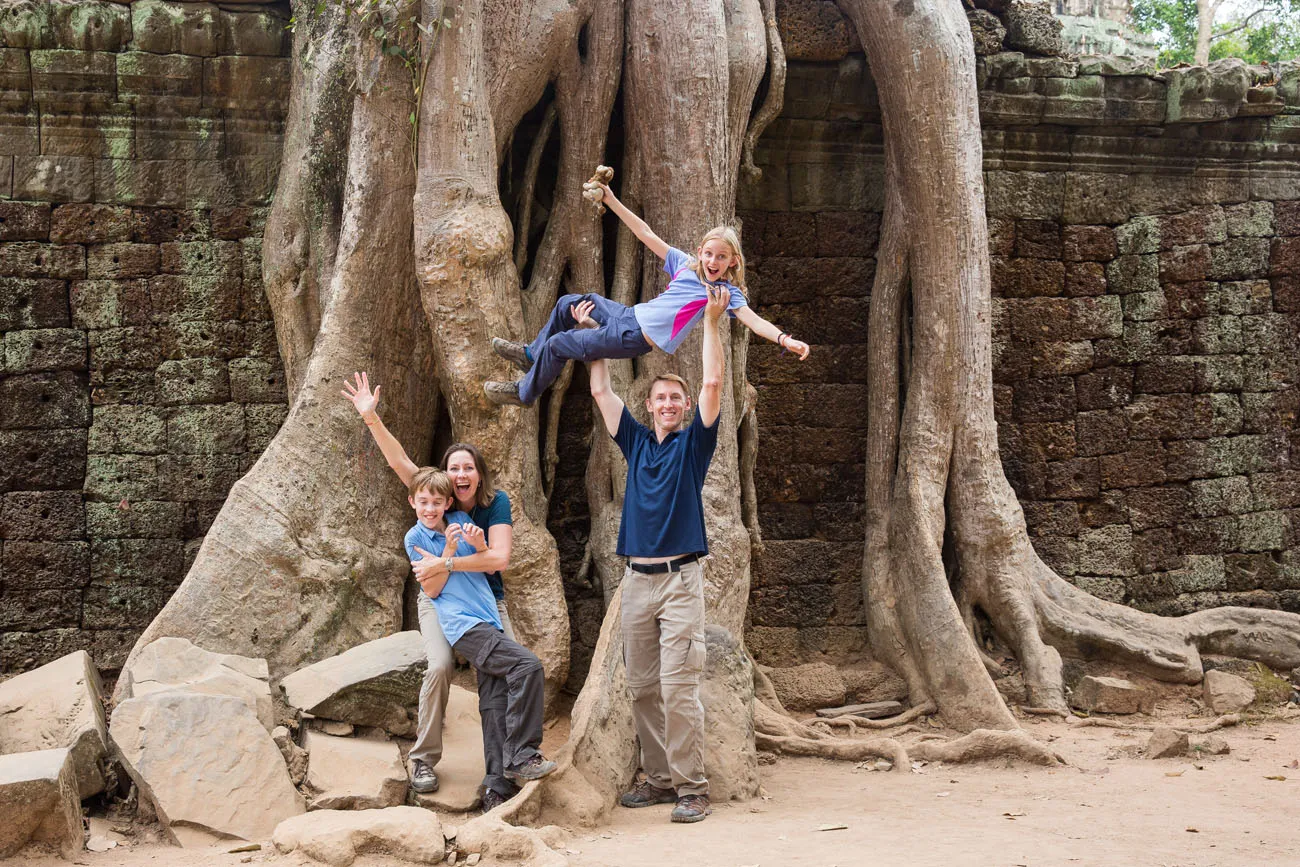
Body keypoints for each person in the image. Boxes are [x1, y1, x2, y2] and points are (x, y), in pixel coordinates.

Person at [585, 281, 730, 824]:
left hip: (680, 581)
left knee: (678, 685)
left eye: (676, 398)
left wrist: (712, 323)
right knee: (644, 687)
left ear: (685, 407)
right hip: (637, 582)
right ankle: (659, 778)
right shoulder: (637, 442)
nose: (667, 405)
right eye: (659, 398)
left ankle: (693, 787)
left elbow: (714, 381)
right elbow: (602, 394)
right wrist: (592, 340)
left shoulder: (695, 445)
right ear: (648, 406)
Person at [341, 373, 517, 802]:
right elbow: (402, 465)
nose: (460, 474)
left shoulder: (495, 505)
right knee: (439, 666)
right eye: (453, 467)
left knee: (511, 668)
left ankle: (509, 763)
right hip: (438, 598)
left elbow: (498, 559)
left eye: (467, 468)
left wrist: (452, 559)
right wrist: (371, 419)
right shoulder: (439, 502)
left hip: (485, 599)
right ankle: (423, 758)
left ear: (478, 474)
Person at [484, 180, 809, 407]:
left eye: (721, 257)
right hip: (626, 315)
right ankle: (530, 358)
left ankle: (524, 394)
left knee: (559, 345)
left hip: (635, 337)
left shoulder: (723, 294)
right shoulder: (684, 264)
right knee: (569, 303)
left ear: (732, 262)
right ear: (700, 251)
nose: (713, 261)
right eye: (709, 254)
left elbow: (753, 321)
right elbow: (645, 232)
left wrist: (783, 339)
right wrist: (610, 200)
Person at [402, 468, 556, 806]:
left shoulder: (459, 517)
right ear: (412, 501)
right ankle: (520, 754)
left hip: (488, 616)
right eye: (424, 502)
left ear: (447, 503)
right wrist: (448, 553)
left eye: (437, 502)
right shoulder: (415, 539)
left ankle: (496, 785)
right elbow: (432, 587)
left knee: (494, 697)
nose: (431, 509)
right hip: (462, 624)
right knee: (527, 666)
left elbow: (490, 564)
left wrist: (476, 543)